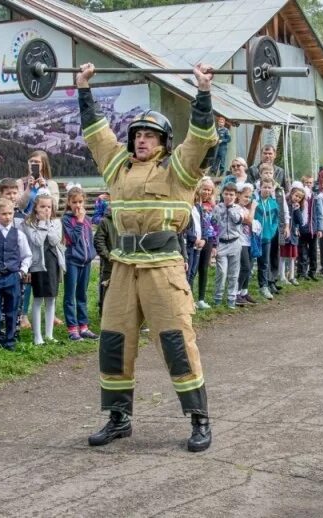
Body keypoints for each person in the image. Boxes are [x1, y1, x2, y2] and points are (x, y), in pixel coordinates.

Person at [77, 61, 217, 451]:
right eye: (137, 134)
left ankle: (199, 420)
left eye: (150, 136)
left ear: (164, 143)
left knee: (176, 343)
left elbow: (201, 137)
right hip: (122, 270)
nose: (141, 140)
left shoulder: (180, 170)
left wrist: (203, 92)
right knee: (113, 342)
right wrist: (84, 89)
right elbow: (96, 134)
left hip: (163, 271)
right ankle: (118, 418)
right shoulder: (117, 168)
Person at [0, 198, 32, 350]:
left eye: (10, 213)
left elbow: (27, 255)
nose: (7, 216)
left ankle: (10, 340)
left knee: (12, 311)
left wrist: (21, 272)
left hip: (12, 277)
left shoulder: (18, 234)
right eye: (4, 213)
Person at [21, 194, 65, 345]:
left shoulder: (56, 221)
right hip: (38, 264)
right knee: (38, 298)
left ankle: (49, 334)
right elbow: (36, 240)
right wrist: (42, 224)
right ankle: (37, 336)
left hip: (52, 262)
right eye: (42, 206)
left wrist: (47, 224)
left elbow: (54, 240)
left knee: (51, 298)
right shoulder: (28, 223)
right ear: (35, 207)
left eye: (48, 207)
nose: (46, 210)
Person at [62, 185, 98, 341]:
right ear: (69, 202)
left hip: (86, 261)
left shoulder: (88, 220)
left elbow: (89, 239)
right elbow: (72, 239)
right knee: (70, 295)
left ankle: (84, 327)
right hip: (72, 261)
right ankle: (72, 329)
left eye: (80, 202)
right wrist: (79, 221)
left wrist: (91, 254)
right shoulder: (66, 220)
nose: (78, 205)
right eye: (74, 202)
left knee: (82, 294)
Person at [212, 183, 243, 308]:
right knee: (222, 271)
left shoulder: (238, 208)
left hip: (235, 242)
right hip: (222, 243)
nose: (229, 197)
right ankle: (218, 297)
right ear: (222, 194)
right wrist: (214, 244)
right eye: (226, 194)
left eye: (231, 195)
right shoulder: (217, 208)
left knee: (234, 272)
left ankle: (232, 297)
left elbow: (238, 221)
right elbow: (213, 225)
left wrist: (230, 208)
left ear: (235, 196)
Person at [193, 177, 218, 310]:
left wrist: (214, 244)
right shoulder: (195, 203)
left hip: (208, 239)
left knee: (204, 268)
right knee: (193, 269)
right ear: (199, 189)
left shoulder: (212, 206)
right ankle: (190, 299)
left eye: (209, 190)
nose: (207, 192)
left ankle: (201, 299)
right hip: (196, 240)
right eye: (205, 189)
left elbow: (215, 225)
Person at [255, 178, 280, 299]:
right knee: (248, 264)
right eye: (264, 187)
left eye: (269, 187)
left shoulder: (274, 204)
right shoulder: (254, 202)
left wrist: (271, 232)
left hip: (267, 238)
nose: (267, 189)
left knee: (264, 263)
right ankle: (241, 290)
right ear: (260, 188)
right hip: (254, 238)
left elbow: (275, 221)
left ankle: (263, 286)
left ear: (272, 189)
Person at [234, 183, 258, 306]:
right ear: (238, 195)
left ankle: (244, 291)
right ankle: (236, 293)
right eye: (245, 196)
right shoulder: (236, 208)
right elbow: (248, 221)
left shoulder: (245, 209)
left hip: (248, 241)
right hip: (240, 242)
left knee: (248, 268)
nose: (247, 199)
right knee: (245, 267)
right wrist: (253, 208)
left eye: (249, 197)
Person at [94, 196, 117, 315]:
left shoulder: (127, 221)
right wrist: (108, 256)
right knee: (106, 287)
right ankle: (104, 314)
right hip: (109, 263)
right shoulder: (105, 222)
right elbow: (98, 241)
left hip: (126, 262)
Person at [18, 150, 60, 216]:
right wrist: (28, 189)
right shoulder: (20, 182)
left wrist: (45, 189)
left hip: (44, 220)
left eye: (37, 162)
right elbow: (20, 207)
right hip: (24, 220)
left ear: (44, 165)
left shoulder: (52, 184)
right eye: (31, 161)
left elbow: (54, 208)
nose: (33, 164)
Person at [280, 184, 306, 285]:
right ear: (291, 194)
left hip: (293, 235)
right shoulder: (285, 205)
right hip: (284, 233)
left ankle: (292, 276)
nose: (297, 199)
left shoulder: (298, 207)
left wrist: (297, 210)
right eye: (296, 196)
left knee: (292, 256)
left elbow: (300, 221)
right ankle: (282, 276)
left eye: (300, 197)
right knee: (282, 255)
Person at [297, 175, 318, 281]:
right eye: (306, 183)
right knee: (302, 252)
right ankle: (302, 272)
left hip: (312, 228)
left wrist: (319, 228)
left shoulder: (315, 196)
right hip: (302, 229)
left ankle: (313, 272)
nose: (308, 185)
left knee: (313, 252)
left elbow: (318, 213)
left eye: (310, 183)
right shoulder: (299, 197)